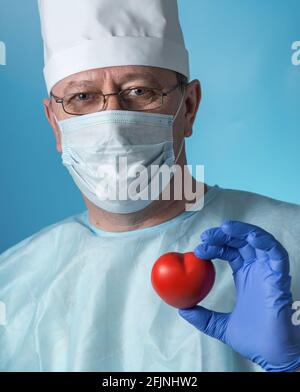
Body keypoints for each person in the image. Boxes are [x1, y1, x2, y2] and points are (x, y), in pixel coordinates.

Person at [0, 0, 299, 372]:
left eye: (139, 91)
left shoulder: (289, 241)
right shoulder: (11, 284)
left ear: (188, 106)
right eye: (82, 97)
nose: (112, 123)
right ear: (55, 125)